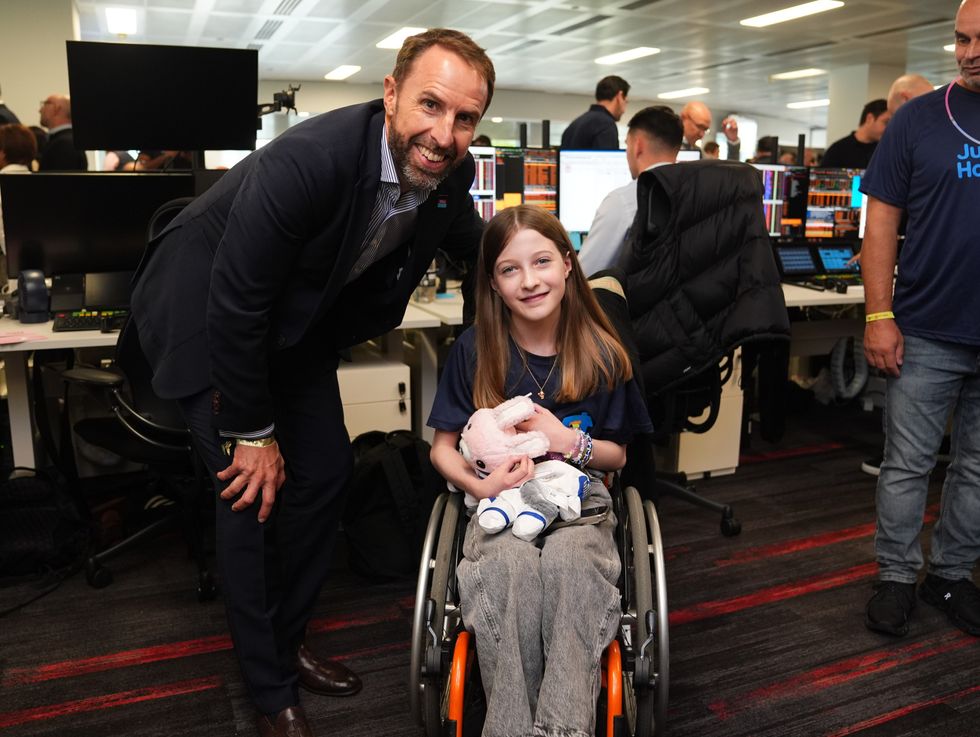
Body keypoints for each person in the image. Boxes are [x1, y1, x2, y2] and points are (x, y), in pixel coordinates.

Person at [129, 28, 494, 737]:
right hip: (208, 311)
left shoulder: (448, 174)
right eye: (429, 104)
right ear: (390, 95)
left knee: (324, 470)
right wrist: (252, 431)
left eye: (464, 117)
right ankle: (267, 687)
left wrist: (547, 293)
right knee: (252, 491)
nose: (444, 133)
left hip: (288, 323)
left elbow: (480, 252)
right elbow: (235, 301)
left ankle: (287, 639)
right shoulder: (310, 161)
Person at [427, 204, 652, 737]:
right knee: (512, 572)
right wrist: (482, 484)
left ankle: (559, 730)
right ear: (493, 284)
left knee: (570, 566)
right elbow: (441, 450)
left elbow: (620, 456)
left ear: (569, 265)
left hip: (581, 506)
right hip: (499, 507)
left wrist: (564, 440)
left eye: (543, 261)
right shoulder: (476, 351)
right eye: (510, 269)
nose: (529, 281)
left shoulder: (600, 352)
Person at [861, 0, 980, 640]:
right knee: (908, 464)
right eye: (961, 39)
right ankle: (897, 576)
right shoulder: (918, 120)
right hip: (927, 328)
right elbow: (880, 223)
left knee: (978, 467)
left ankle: (951, 574)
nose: (968, 52)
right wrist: (879, 313)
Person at [577, 105, 683, 275]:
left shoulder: (623, 201)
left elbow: (584, 276)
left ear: (637, 146)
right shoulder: (698, 192)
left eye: (627, 145)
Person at [560, 75, 629, 150]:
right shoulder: (606, 124)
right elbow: (606, 160)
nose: (624, 110)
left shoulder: (574, 124)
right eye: (625, 101)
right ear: (619, 96)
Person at [820, 98, 890, 168]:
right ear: (869, 119)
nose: (889, 129)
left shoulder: (886, 151)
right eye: (886, 122)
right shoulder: (837, 151)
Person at [37, 93, 87, 171]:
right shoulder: (69, 140)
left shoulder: (64, 144)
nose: (40, 110)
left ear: (57, 108)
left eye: (45, 104)